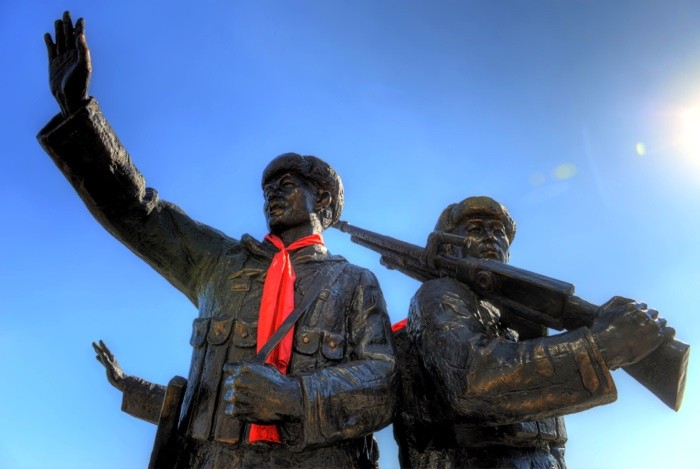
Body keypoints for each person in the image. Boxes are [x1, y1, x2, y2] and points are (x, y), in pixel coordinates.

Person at [39, 12, 396, 468]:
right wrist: (79, 113)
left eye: (287, 184)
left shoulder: (353, 283)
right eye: (268, 188)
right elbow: (140, 211)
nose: (272, 193)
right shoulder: (220, 263)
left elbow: (382, 379)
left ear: (321, 197)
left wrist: (296, 396)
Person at [393, 196, 673, 468]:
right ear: (448, 248)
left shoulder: (509, 317)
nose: (491, 238)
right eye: (475, 230)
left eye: (499, 232)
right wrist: (602, 345)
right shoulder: (440, 294)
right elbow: (475, 380)